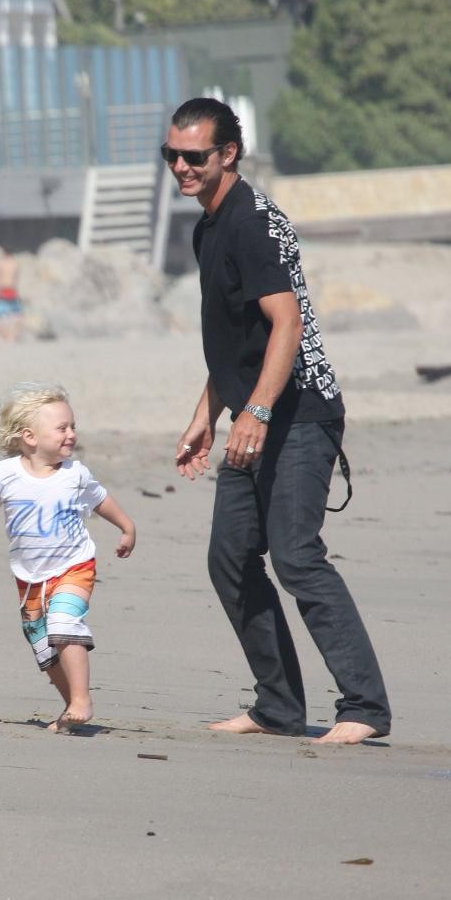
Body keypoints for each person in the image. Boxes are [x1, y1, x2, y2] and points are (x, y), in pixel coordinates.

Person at [168, 97, 391, 745]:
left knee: (296, 555)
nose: (181, 167)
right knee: (230, 558)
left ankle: (365, 707)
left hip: (299, 414)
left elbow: (286, 322)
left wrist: (258, 412)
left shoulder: (251, 222)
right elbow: (240, 340)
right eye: (172, 156)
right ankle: (279, 705)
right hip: (254, 414)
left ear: (227, 154)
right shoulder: (208, 227)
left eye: (194, 156)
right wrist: (205, 418)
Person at [0, 382, 136, 731]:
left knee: (63, 625)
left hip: (74, 566)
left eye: (73, 426)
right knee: (43, 645)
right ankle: (70, 707)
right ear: (30, 436)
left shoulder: (76, 474)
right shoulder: (4, 473)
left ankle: (82, 699)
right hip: (29, 577)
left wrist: (126, 526)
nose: (71, 434)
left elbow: (100, 499)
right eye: (62, 428)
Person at [0, 249, 24, 341]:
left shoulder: (0, 263)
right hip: (12, 289)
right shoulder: (15, 264)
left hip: (3, 289)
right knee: (18, 314)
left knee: (2, 314)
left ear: (4, 253)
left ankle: (6, 336)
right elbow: (16, 278)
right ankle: (14, 335)